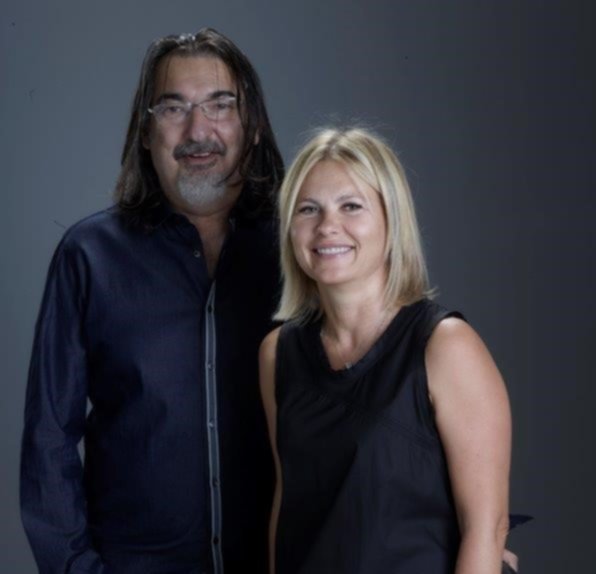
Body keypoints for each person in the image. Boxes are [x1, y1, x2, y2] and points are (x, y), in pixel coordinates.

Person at [21, 28, 284, 574]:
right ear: (146, 132)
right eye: (173, 108)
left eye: (221, 105)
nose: (198, 130)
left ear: (253, 125)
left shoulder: (302, 250)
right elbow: (49, 439)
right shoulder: (89, 255)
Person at [259, 127, 513, 573]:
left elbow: (486, 528)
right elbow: (287, 502)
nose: (327, 226)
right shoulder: (277, 354)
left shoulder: (446, 346)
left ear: (392, 220)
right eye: (308, 209)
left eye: (351, 206)